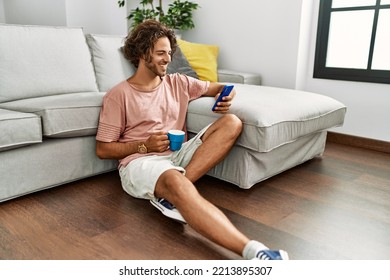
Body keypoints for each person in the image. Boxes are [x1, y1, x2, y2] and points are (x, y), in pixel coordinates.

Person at [95, 19, 288, 260]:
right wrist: (144, 145)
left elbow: (220, 86)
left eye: (169, 53)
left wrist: (226, 96)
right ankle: (256, 253)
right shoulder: (119, 95)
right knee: (176, 182)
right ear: (143, 54)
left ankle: (173, 193)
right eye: (160, 53)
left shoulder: (179, 82)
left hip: (178, 154)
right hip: (139, 162)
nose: (167, 59)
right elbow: (103, 149)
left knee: (232, 122)